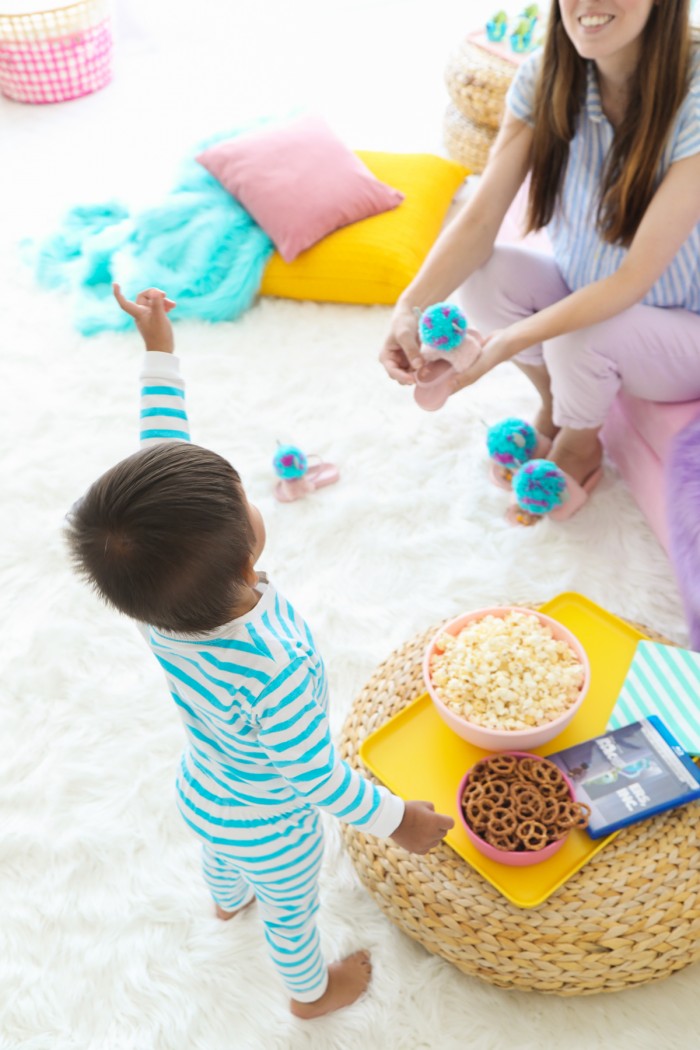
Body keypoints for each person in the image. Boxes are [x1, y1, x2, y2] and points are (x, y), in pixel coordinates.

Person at [65, 284, 454, 1020]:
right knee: (290, 912)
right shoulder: (273, 666)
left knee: (223, 856)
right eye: (246, 499)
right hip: (274, 822)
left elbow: (163, 446)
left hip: (204, 788)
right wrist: (399, 820)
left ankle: (222, 900)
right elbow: (317, 777)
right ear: (247, 562)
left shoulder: (155, 602)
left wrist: (160, 353)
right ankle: (309, 994)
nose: (248, 497)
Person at [381, 0, 700, 522]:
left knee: (582, 332)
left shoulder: (695, 92)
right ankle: (557, 404)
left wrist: (505, 345)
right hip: (592, 292)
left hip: (685, 326)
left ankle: (579, 442)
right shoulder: (545, 74)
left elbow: (632, 279)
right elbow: (481, 219)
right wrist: (410, 307)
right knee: (488, 276)